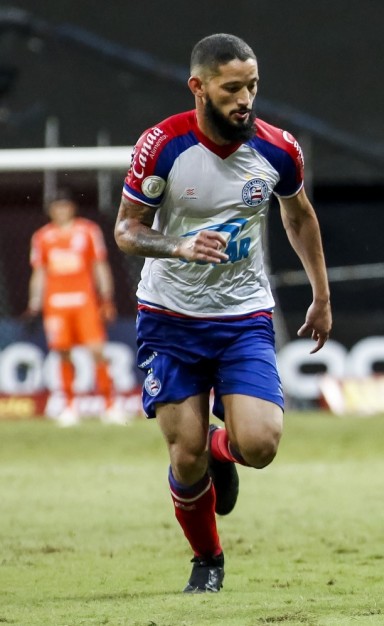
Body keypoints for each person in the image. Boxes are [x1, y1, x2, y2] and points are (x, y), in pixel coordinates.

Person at [114, 33, 332, 594]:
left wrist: (322, 296)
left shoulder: (278, 149)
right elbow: (126, 230)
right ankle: (207, 559)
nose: (245, 99)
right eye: (232, 88)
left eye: (252, 86)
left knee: (259, 445)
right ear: (199, 87)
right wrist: (179, 246)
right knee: (184, 458)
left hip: (242, 317)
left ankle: (223, 447)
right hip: (170, 317)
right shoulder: (162, 146)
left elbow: (300, 217)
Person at [26, 193, 123, 426]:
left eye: (65, 206)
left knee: (97, 351)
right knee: (62, 352)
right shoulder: (42, 237)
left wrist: (106, 297)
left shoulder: (88, 231)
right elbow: (39, 272)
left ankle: (110, 405)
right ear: (51, 211)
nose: (61, 211)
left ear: (72, 208)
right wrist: (33, 303)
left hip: (84, 302)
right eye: (56, 208)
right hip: (56, 304)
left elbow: (99, 265)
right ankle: (70, 406)